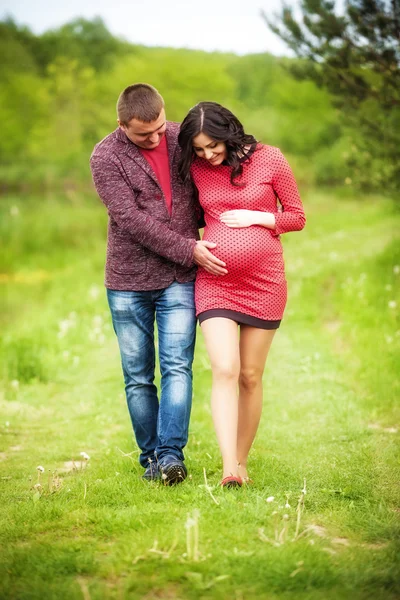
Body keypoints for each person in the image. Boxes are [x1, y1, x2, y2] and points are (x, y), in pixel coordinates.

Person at [90, 85, 226, 485]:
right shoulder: (105, 156)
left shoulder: (182, 137)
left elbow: (218, 174)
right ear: (121, 125)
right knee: (137, 375)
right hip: (128, 280)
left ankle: (169, 456)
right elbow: (129, 219)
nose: (154, 139)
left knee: (177, 366)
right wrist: (189, 248)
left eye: (158, 128)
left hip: (178, 280)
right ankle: (150, 456)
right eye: (142, 135)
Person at [178, 101, 306, 488]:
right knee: (225, 369)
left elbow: (297, 216)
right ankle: (228, 467)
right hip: (216, 282)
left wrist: (258, 217)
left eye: (213, 146)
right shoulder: (196, 168)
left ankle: (243, 460)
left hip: (264, 283)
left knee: (250, 375)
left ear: (229, 133)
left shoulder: (271, 159)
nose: (207, 155)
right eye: (198, 149)